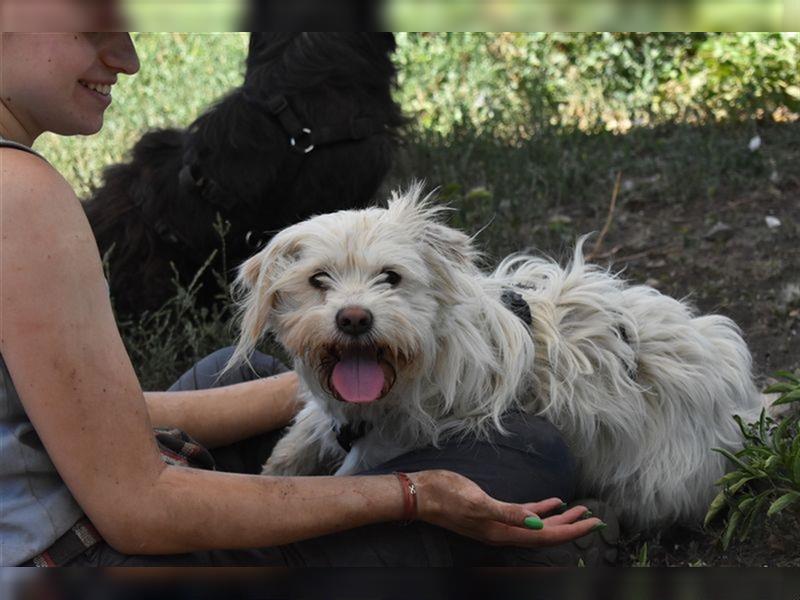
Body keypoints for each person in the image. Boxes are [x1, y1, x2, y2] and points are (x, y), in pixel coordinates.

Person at [0, 30, 608, 567]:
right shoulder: (21, 196)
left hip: (51, 487)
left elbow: (78, 417)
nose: (127, 58)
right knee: (526, 452)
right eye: (94, 27)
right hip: (75, 553)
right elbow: (139, 511)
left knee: (248, 372)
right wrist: (414, 493)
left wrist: (336, 388)